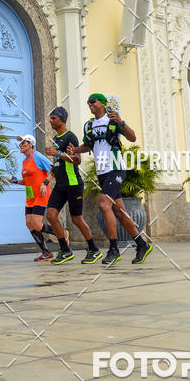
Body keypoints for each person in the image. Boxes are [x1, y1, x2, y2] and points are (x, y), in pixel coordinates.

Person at [70, 93, 152, 267]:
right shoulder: (89, 125)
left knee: (103, 204)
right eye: (88, 101)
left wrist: (121, 121)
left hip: (116, 168)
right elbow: (88, 146)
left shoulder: (113, 121)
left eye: (93, 101)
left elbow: (132, 137)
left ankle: (113, 249)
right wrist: (75, 149)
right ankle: (142, 244)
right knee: (120, 211)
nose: (90, 104)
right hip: (102, 171)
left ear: (103, 103)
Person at [44, 107, 102, 265]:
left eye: (54, 118)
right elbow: (58, 163)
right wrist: (49, 177)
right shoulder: (56, 139)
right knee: (51, 215)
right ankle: (65, 250)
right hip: (60, 185)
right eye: (50, 118)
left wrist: (58, 154)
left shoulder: (71, 137)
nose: (50, 121)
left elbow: (76, 160)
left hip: (73, 183)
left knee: (76, 219)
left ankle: (94, 249)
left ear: (62, 119)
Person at [8, 134, 54, 261]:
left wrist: (45, 183)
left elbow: (53, 169)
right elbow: (28, 181)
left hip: (41, 194)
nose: (21, 145)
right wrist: (16, 181)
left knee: (37, 224)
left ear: (31, 144)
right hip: (30, 196)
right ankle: (46, 252)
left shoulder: (37, 156)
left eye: (23, 142)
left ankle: (60, 232)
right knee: (29, 224)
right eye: (20, 143)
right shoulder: (24, 162)